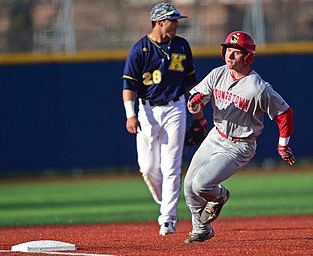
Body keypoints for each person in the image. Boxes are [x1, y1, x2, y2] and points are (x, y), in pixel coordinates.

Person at [184, 31, 295, 243]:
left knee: (201, 185)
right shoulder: (218, 73)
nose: (229, 56)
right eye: (228, 50)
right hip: (216, 136)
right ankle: (201, 228)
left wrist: (283, 145)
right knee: (189, 185)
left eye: (236, 53)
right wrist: (194, 103)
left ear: (248, 57)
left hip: (239, 145)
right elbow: (196, 100)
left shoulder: (257, 88)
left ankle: (220, 196)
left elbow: (284, 113)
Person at [122, 3, 205, 236]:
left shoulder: (181, 45)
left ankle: (167, 217)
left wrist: (198, 114)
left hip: (175, 108)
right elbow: (128, 85)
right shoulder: (140, 49)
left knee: (171, 165)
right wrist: (130, 114)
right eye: (173, 20)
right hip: (146, 110)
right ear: (159, 22)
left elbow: (190, 82)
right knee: (147, 168)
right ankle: (165, 201)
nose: (177, 23)